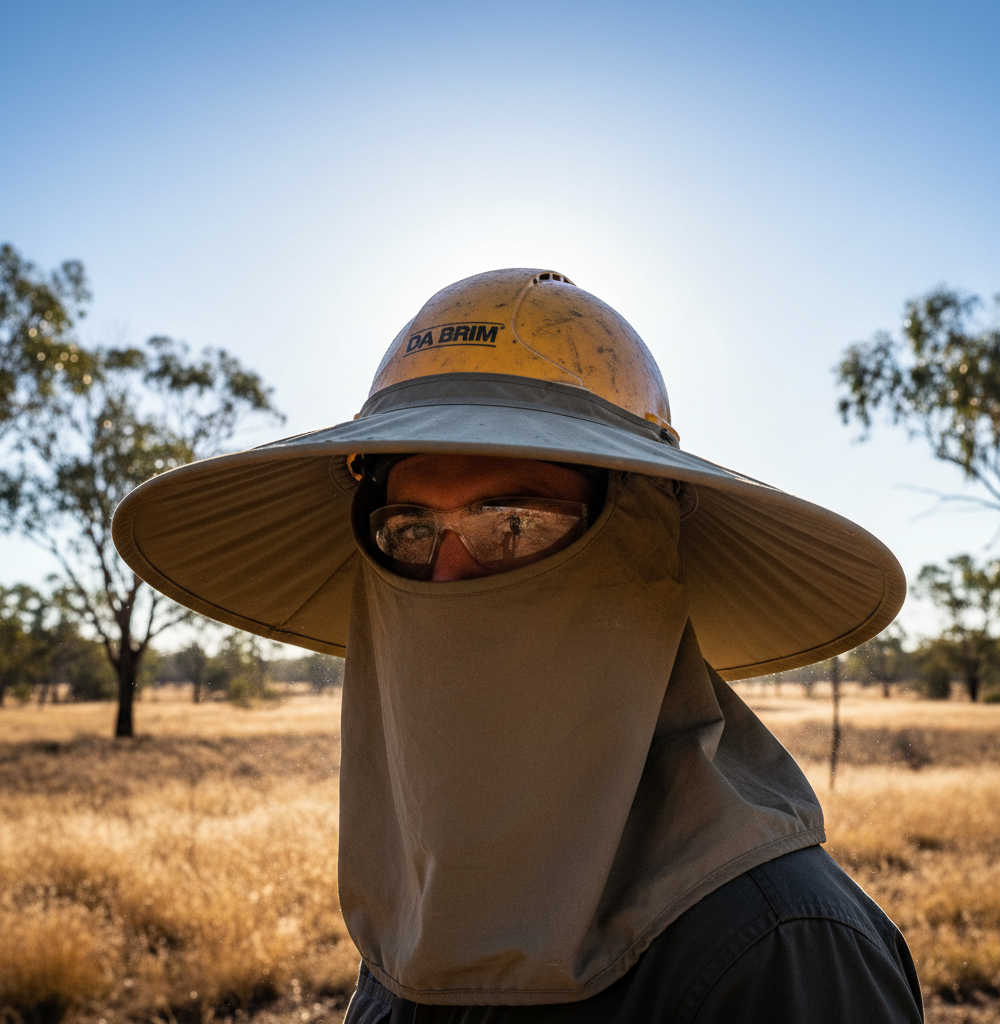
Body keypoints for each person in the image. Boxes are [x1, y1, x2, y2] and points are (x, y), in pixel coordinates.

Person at [113, 268, 924, 1022]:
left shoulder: (784, 949)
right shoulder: (418, 917)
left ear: (638, 555)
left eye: (514, 525)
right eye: (410, 530)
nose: (448, 581)